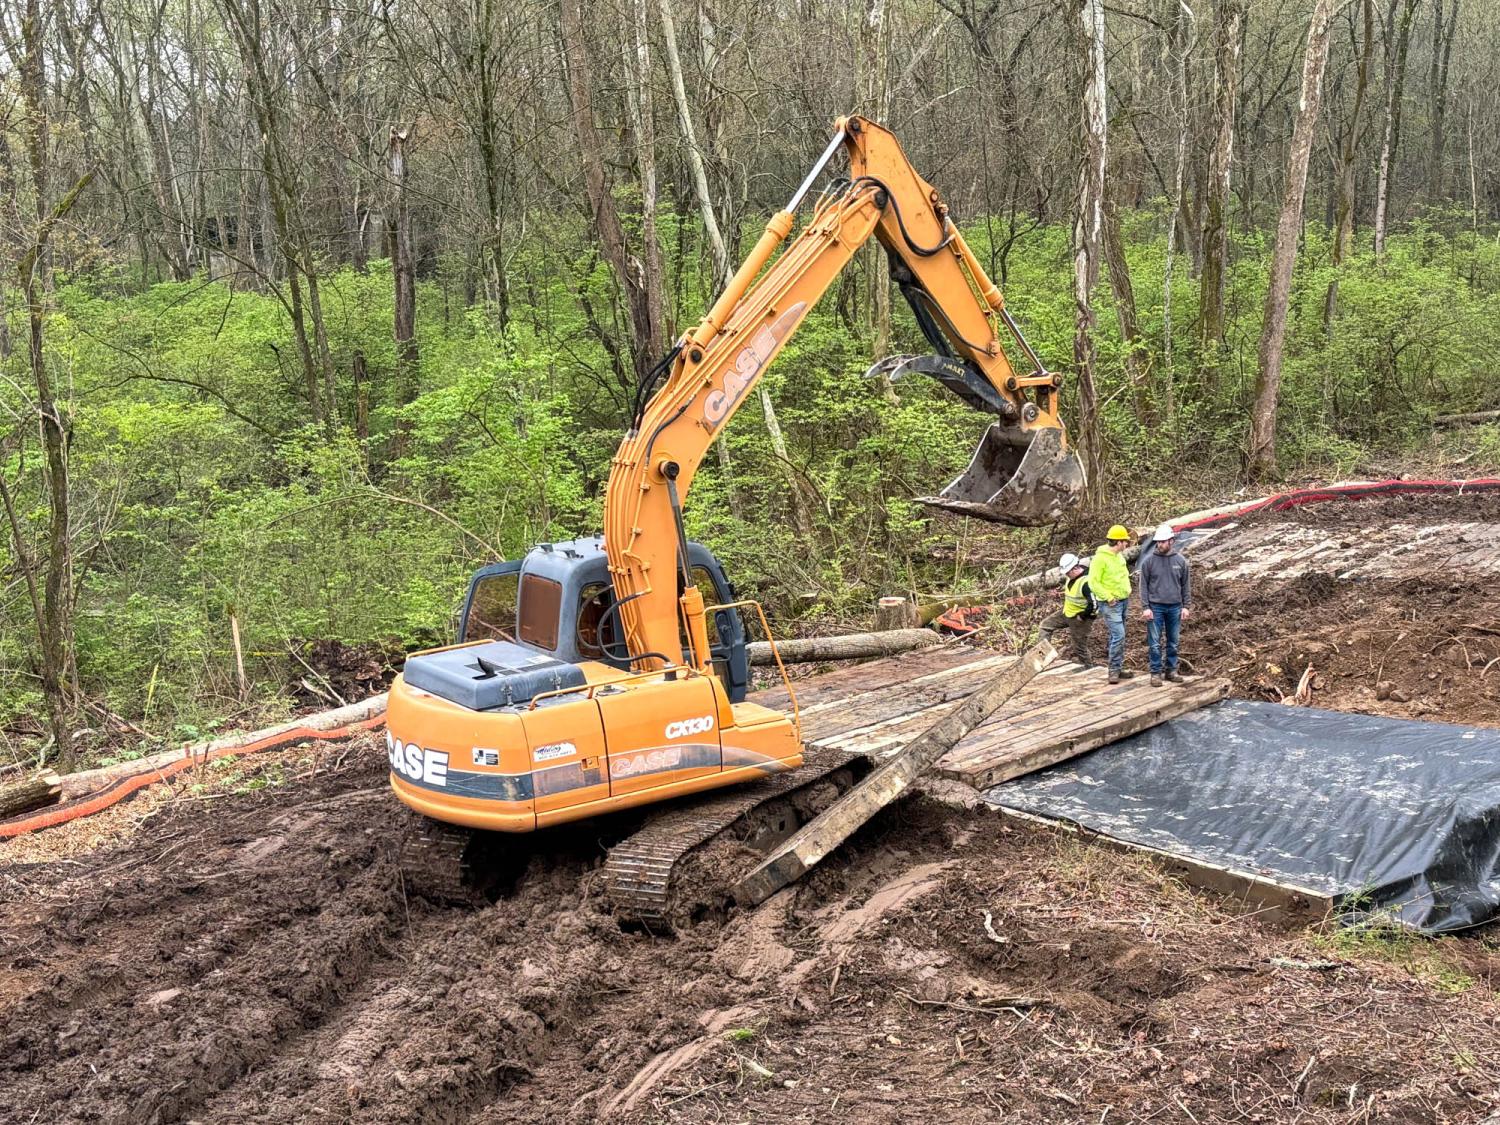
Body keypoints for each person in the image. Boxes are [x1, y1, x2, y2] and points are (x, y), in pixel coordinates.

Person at [1138, 524, 1191, 686]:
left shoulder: (1180, 561)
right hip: (1155, 607)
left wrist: (1186, 606)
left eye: (1162, 542)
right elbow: (1143, 586)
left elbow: (1185, 585)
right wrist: (1146, 607)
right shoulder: (1148, 562)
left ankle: (1171, 670)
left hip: (1175, 607)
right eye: (1158, 542)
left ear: (1171, 541)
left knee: (1173, 642)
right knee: (1154, 643)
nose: (1159, 545)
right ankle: (1155, 673)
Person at [1089, 524, 1134, 683]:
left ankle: (1118, 667)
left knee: (1118, 636)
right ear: (1118, 542)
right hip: (1111, 604)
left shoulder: (1119, 556)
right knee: (1119, 635)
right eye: (1125, 541)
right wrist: (1108, 597)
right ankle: (1113, 670)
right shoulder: (1100, 559)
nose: (1127, 544)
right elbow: (1093, 582)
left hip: (1123, 600)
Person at [1039, 552, 1097, 668]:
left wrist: (1082, 616)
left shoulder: (1087, 583)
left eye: (1068, 572)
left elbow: (1095, 605)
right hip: (1067, 612)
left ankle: (1089, 668)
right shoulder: (1071, 576)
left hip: (1080, 618)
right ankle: (1043, 658)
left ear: (1075, 568)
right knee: (1045, 626)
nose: (1066, 575)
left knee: (1079, 647)